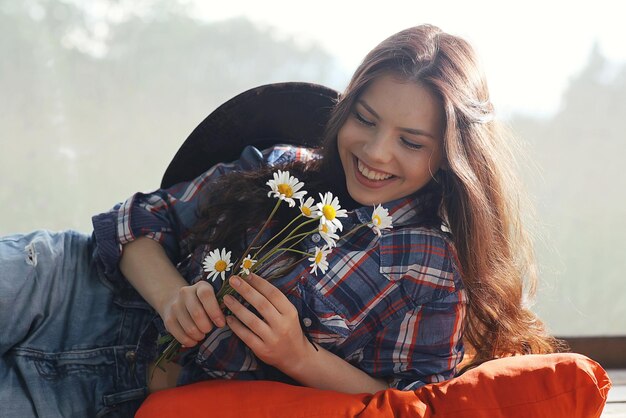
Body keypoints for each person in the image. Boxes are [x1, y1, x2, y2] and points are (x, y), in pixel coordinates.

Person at [0, 24, 560, 417]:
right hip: (66, 289)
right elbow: (132, 225)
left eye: (411, 142)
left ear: (449, 154)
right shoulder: (286, 168)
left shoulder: (433, 274)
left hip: (102, 395)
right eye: (364, 120)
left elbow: (400, 402)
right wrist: (173, 297)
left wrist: (296, 355)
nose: (376, 151)